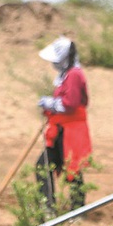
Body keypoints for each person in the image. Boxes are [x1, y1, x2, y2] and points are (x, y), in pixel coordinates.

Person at [37, 36, 91, 211]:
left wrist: (49, 103)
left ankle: (76, 208)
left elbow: (71, 103)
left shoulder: (74, 74)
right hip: (62, 128)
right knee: (46, 165)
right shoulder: (67, 74)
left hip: (71, 130)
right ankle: (49, 206)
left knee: (72, 167)